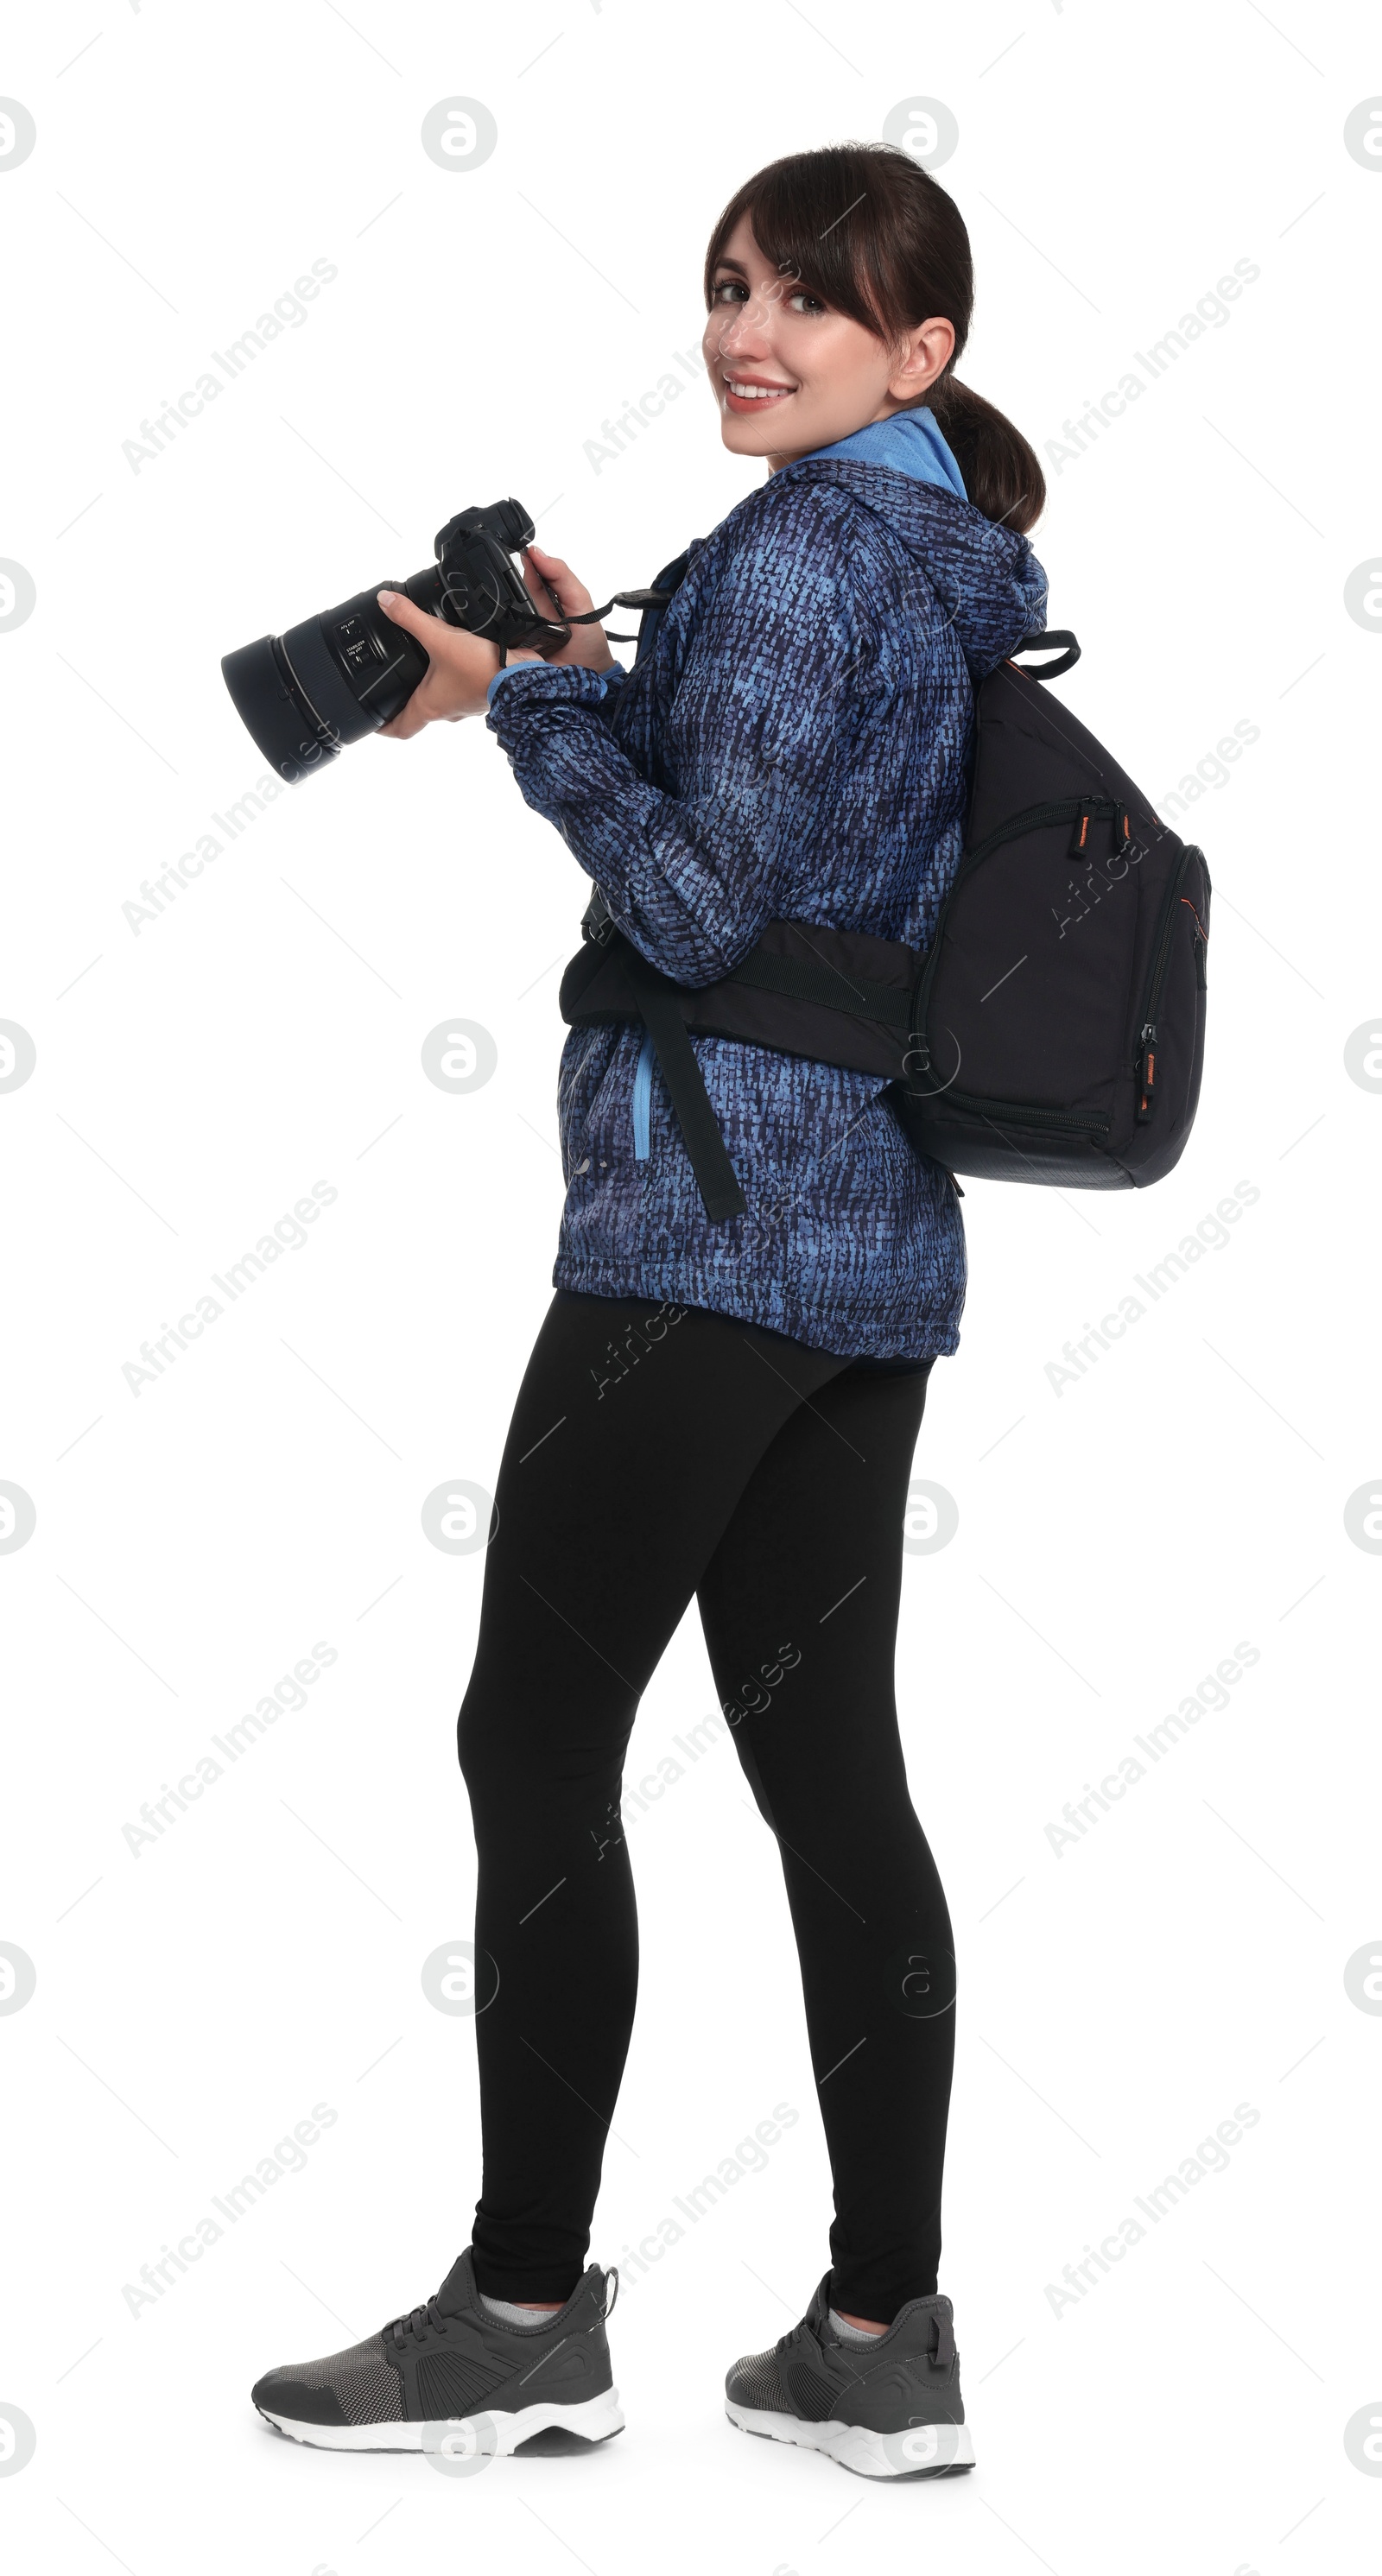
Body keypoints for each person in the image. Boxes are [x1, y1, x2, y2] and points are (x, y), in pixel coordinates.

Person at [250, 140, 1048, 2481]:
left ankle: (519, 2310)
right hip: (870, 1243)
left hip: (705, 1238)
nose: (745, 327)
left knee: (532, 1741)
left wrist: (517, 702)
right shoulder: (928, 553)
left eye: (808, 300)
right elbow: (802, 849)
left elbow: (702, 906)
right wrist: (602, 671)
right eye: (728, 281)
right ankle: (883, 2335)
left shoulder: (808, 558)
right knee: (834, 1780)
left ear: (920, 354)